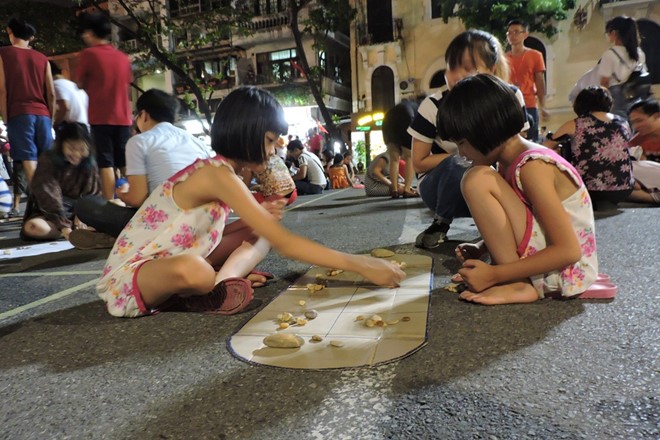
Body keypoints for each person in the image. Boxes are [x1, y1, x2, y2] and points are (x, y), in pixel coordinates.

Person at [96, 86, 405, 318]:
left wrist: (257, 218)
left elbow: (208, 232)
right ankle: (213, 285)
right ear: (247, 132)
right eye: (270, 140)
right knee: (198, 270)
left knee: (260, 234)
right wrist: (362, 264)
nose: (274, 151)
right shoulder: (217, 174)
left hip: (177, 253)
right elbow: (287, 244)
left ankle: (221, 284)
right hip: (132, 278)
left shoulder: (227, 172)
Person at [437, 74, 598, 305]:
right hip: (558, 263)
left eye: (462, 143)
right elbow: (530, 217)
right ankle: (515, 277)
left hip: (566, 271)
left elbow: (568, 251)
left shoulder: (533, 167)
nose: (461, 153)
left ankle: (518, 283)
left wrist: (496, 274)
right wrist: (482, 246)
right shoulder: (510, 161)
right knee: (478, 177)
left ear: (485, 129)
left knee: (475, 179)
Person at [408, 29, 527, 249]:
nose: (457, 75)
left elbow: (519, 149)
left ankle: (516, 224)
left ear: (491, 69)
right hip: (439, 187)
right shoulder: (434, 105)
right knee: (460, 160)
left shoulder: (510, 96)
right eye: (452, 67)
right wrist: (466, 155)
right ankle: (441, 223)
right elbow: (419, 162)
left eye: (469, 68)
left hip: (489, 180)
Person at [70, 88, 212, 248]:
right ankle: (124, 238)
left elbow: (137, 199)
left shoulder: (140, 141)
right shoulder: (196, 141)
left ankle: (124, 238)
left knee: (86, 205)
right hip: (204, 222)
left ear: (143, 115)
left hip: (166, 224)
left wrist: (122, 195)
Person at [543, 86, 634, 210]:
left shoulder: (577, 123)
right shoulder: (623, 122)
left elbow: (546, 147)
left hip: (588, 189)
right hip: (624, 188)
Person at [0, 16, 56, 216]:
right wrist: (52, 117)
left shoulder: (3, 54)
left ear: (9, 31)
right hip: (43, 115)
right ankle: (53, 201)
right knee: (45, 161)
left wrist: (6, 117)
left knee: (29, 160)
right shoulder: (42, 58)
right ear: (30, 37)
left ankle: (44, 206)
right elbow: (50, 92)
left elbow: (3, 89)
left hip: (20, 113)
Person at [76, 12, 133, 201]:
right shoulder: (122, 57)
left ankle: (111, 204)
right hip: (124, 118)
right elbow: (127, 82)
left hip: (101, 117)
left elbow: (79, 83)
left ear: (90, 33)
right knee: (124, 162)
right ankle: (135, 199)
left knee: (106, 162)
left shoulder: (89, 54)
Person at [20, 122, 100, 241]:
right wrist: (64, 226)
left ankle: (77, 231)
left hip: (81, 212)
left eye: (82, 149)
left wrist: (82, 216)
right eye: (71, 148)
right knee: (33, 227)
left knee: (116, 207)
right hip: (50, 214)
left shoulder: (90, 163)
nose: (77, 154)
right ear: (61, 145)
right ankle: (71, 233)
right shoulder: (48, 160)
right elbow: (48, 196)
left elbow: (92, 194)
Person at [505, 19, 548, 142]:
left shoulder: (535, 55)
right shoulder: (504, 58)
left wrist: (543, 105)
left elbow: (540, 81)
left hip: (529, 104)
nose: (512, 35)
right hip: (510, 105)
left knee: (530, 140)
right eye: (509, 33)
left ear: (525, 34)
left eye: (516, 32)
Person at [597, 16, 647, 119]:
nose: (608, 35)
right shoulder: (639, 53)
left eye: (608, 32)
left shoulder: (609, 54)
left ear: (615, 33)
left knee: (620, 127)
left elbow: (604, 83)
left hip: (617, 97)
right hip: (636, 95)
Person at [382, 98, 421, 198]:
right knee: (409, 157)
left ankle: (394, 190)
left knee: (394, 159)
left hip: (388, 119)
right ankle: (407, 189)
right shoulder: (420, 107)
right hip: (406, 117)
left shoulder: (402, 105)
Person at [49, 60, 89, 129]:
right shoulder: (72, 84)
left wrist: (55, 124)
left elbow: (65, 106)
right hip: (86, 127)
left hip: (74, 129)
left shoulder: (56, 84)